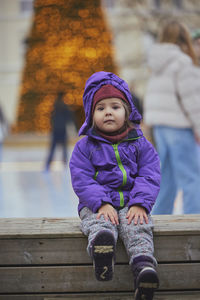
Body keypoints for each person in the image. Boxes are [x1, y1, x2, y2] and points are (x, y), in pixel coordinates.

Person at [69, 71, 160, 300]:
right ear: (91, 115)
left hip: (131, 202)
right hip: (97, 204)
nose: (108, 112)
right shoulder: (85, 147)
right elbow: (82, 179)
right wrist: (101, 204)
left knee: (137, 226)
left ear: (127, 111)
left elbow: (149, 174)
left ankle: (143, 268)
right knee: (98, 222)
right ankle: (103, 251)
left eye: (115, 107)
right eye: (100, 108)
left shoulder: (140, 143)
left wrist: (140, 203)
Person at [144, 19, 200, 214]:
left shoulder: (157, 63)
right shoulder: (182, 62)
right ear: (184, 37)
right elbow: (192, 100)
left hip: (161, 126)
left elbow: (151, 96)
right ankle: (194, 225)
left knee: (168, 177)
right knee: (192, 177)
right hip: (179, 125)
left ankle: (159, 221)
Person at [45, 92, 75, 170]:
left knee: (53, 148)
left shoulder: (55, 107)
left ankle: (48, 164)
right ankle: (64, 163)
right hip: (62, 130)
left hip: (56, 130)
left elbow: (52, 119)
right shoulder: (64, 107)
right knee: (64, 148)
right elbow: (69, 118)